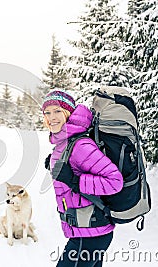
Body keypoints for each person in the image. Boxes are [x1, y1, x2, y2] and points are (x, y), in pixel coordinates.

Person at [42, 90, 123, 267]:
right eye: (47, 112)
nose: (51, 117)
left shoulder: (80, 145)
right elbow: (76, 166)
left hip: (90, 234)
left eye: (57, 111)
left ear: (68, 113)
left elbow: (114, 181)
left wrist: (75, 181)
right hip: (86, 231)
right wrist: (54, 163)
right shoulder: (64, 142)